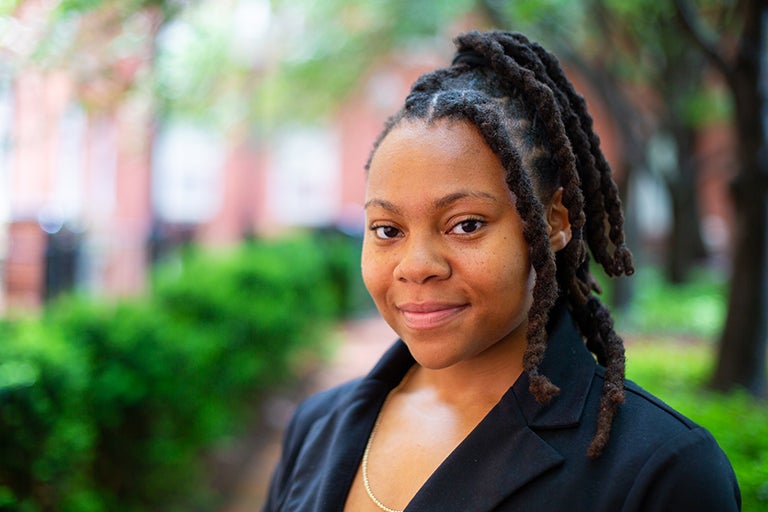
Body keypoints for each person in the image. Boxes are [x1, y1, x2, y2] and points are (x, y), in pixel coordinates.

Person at [263, 30, 741, 511]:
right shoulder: (316, 427)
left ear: (554, 222)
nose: (417, 267)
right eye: (387, 230)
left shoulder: (662, 470)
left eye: (465, 225)